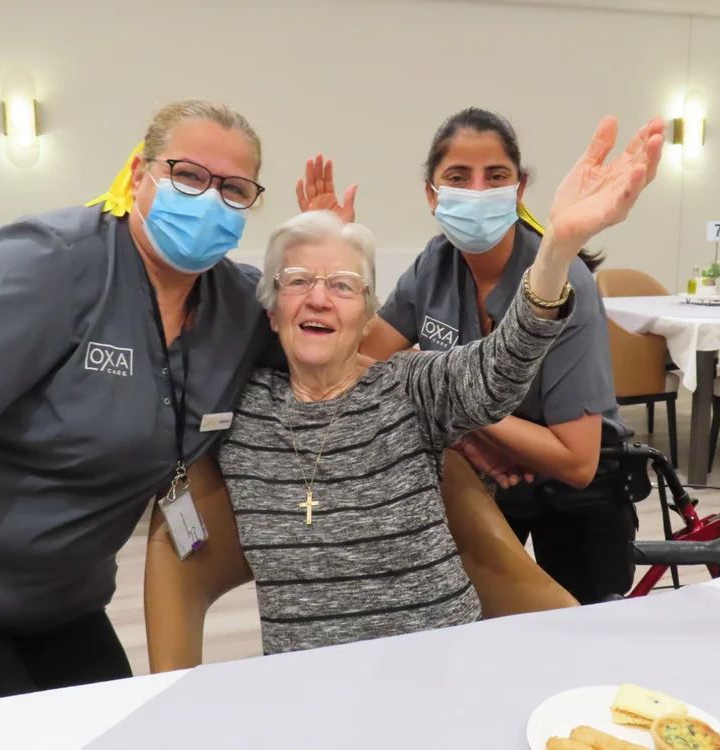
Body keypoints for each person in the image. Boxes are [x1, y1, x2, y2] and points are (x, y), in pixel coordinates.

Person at [0, 98, 283, 715]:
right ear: (138, 175)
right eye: (188, 175)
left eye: (234, 189)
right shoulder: (52, 261)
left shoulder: (238, 306)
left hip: (61, 598)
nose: (209, 199)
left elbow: (336, 353)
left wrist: (323, 256)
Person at [219, 113, 663, 655]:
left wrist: (452, 413)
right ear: (431, 194)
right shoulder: (436, 263)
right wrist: (331, 266)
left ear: (520, 188)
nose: (476, 191)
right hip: (492, 480)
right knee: (500, 633)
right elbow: (358, 350)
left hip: (578, 493)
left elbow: (575, 460)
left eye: (495, 176)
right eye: (457, 176)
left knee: (580, 646)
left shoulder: (564, 282)